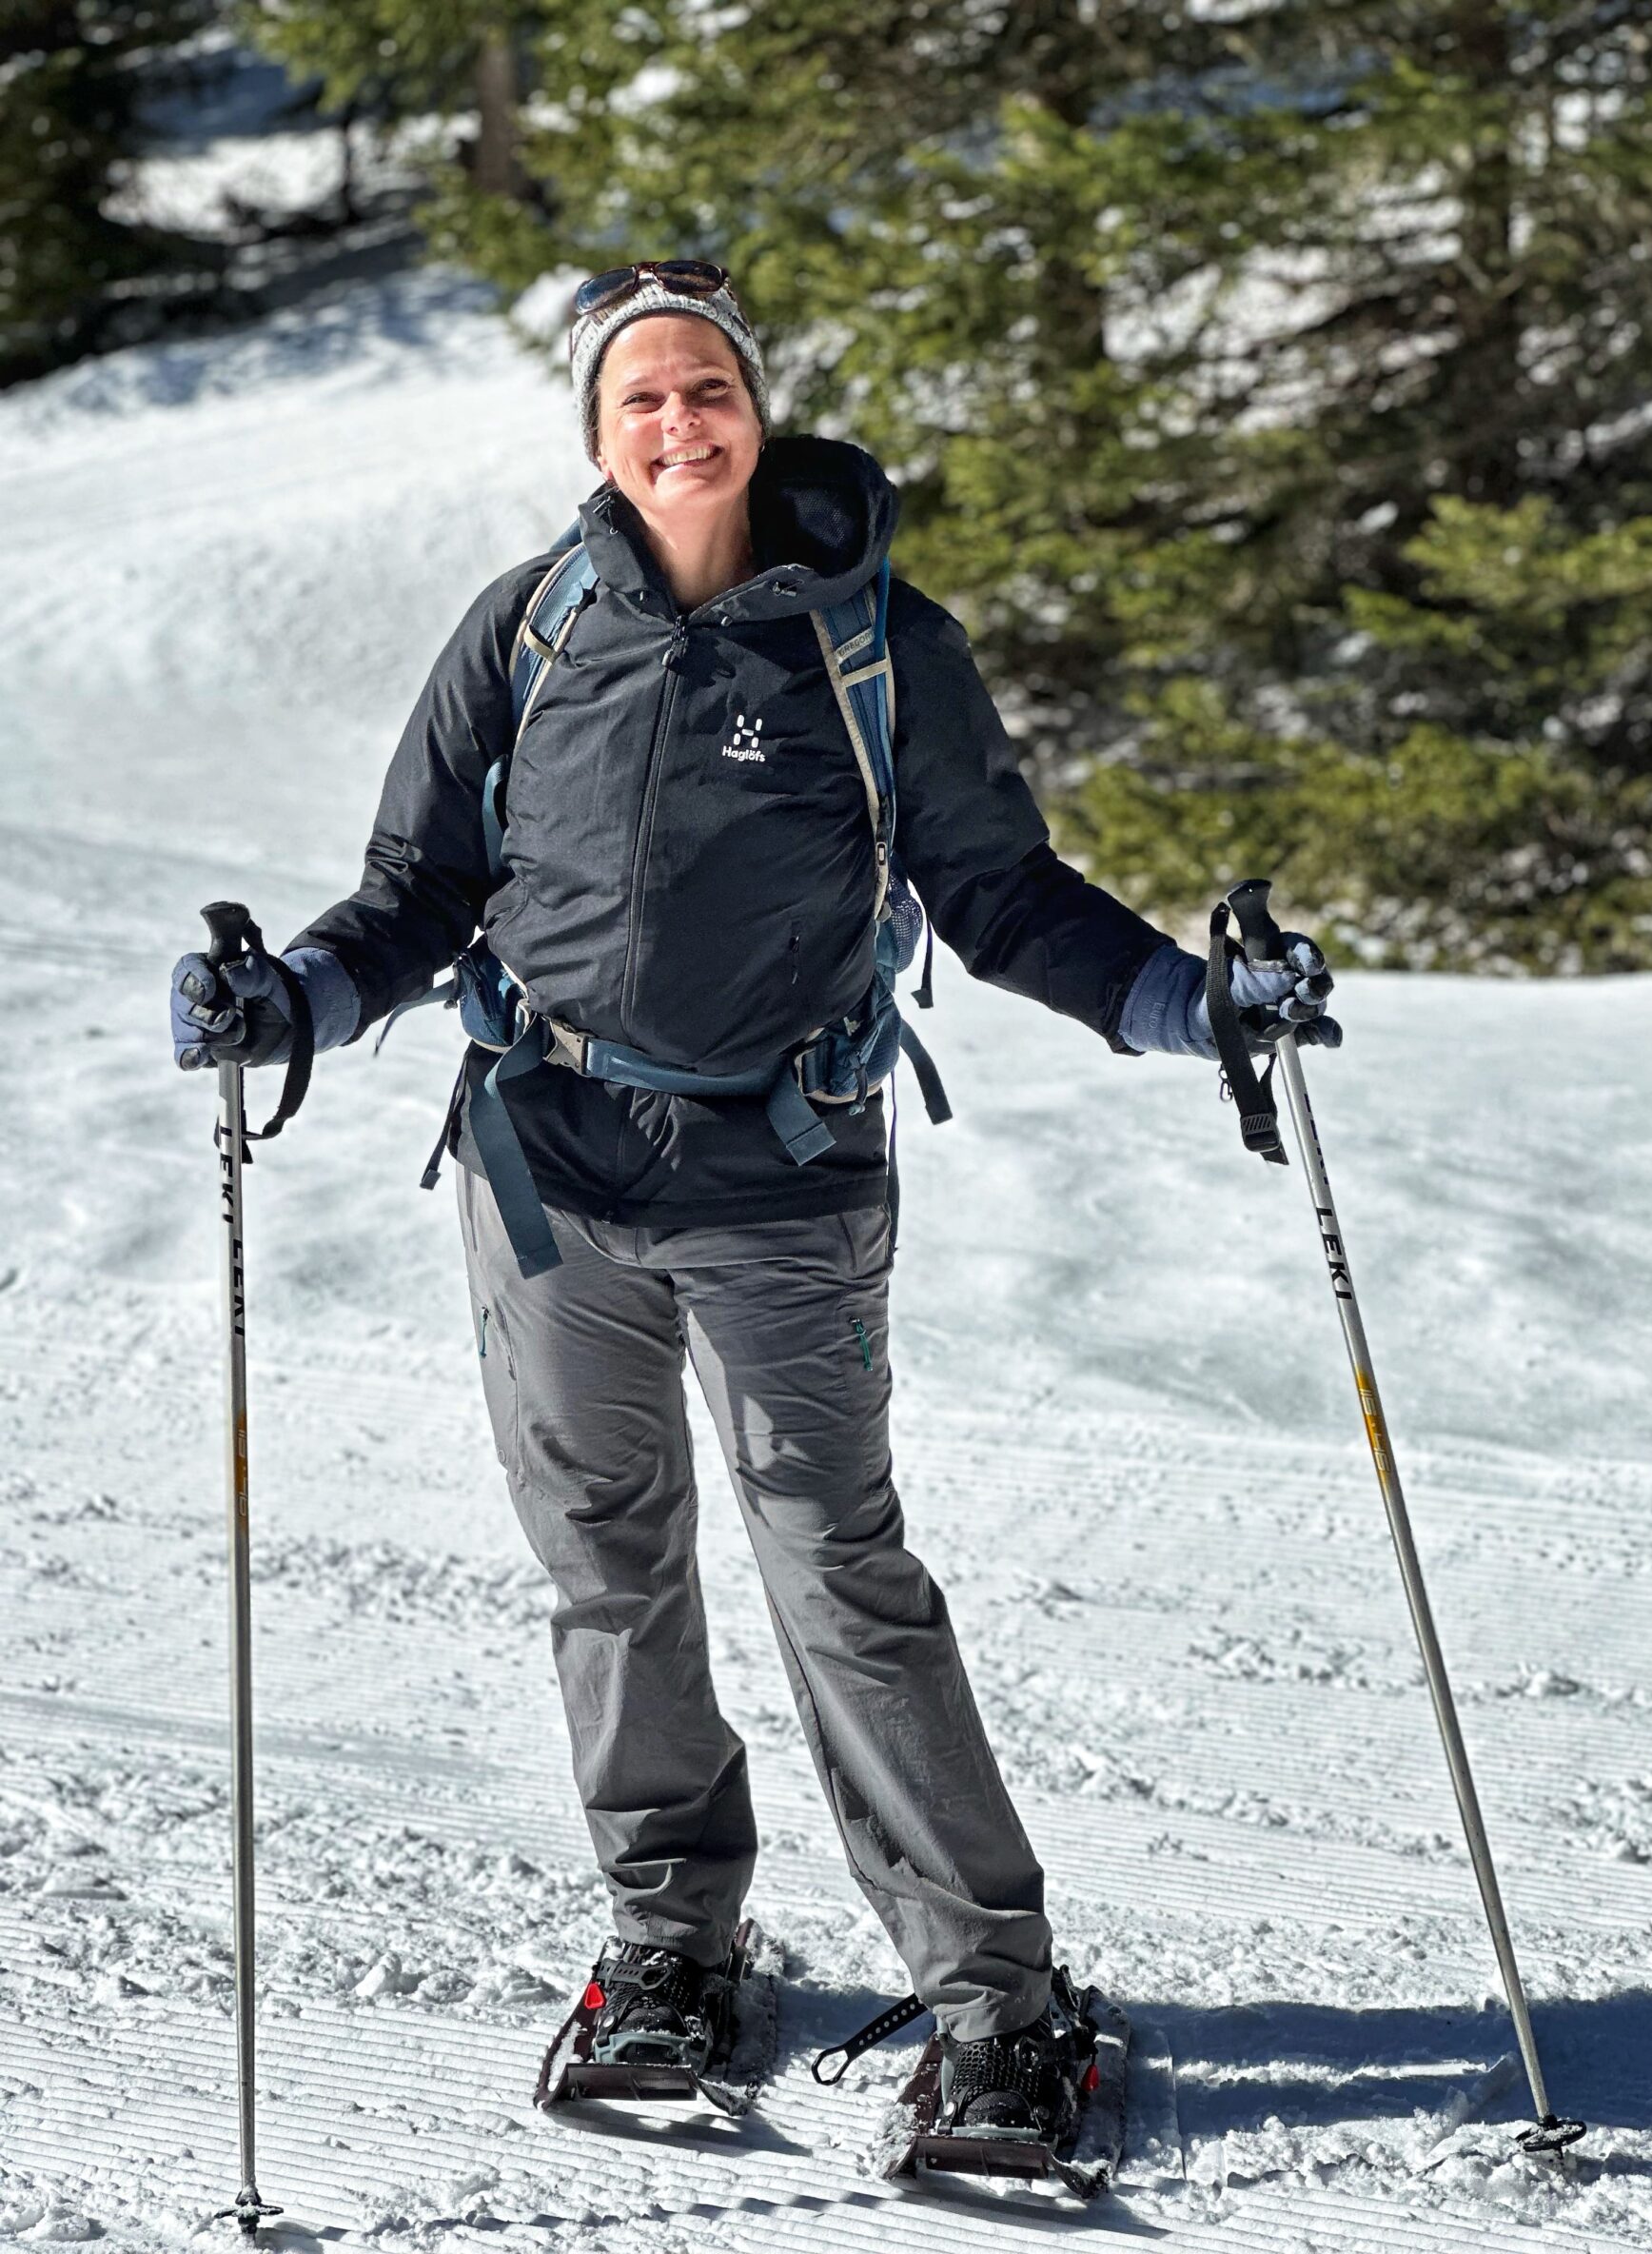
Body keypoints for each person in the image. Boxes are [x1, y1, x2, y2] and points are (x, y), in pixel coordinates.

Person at [171, 261, 1337, 2145]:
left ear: (755, 408)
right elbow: (411, 885)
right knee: (609, 1566)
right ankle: (672, 1946)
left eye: (705, 388)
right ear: (599, 432)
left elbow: (1003, 889)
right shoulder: (531, 628)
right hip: (547, 1174)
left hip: (783, 1179)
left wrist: (1186, 1005)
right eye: (639, 398)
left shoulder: (874, 641)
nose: (677, 425)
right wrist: (288, 1000)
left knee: (840, 1574)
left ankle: (998, 2001)